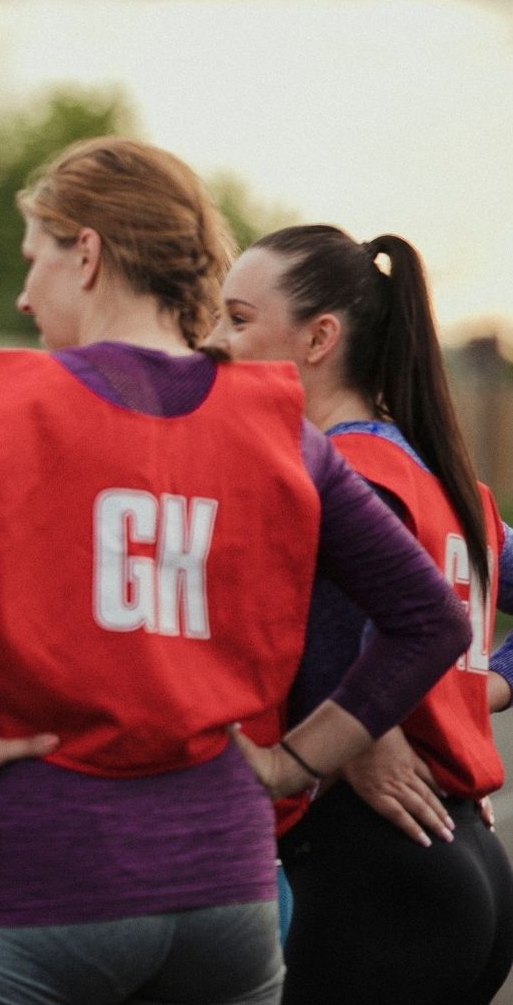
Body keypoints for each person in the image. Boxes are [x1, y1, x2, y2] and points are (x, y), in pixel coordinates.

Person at [0, 136, 469, 1005]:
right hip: (225, 888)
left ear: (89, 252)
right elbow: (432, 617)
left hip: (42, 873)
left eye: (35, 259)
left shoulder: (18, 399)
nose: (23, 292)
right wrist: (296, 763)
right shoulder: (274, 426)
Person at [211, 224, 513, 1004]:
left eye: (238, 320)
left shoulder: (343, 479)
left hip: (379, 866)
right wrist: (478, 686)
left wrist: (359, 725)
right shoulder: (451, 487)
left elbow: (346, 643)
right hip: (463, 856)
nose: (213, 342)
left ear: (318, 338)